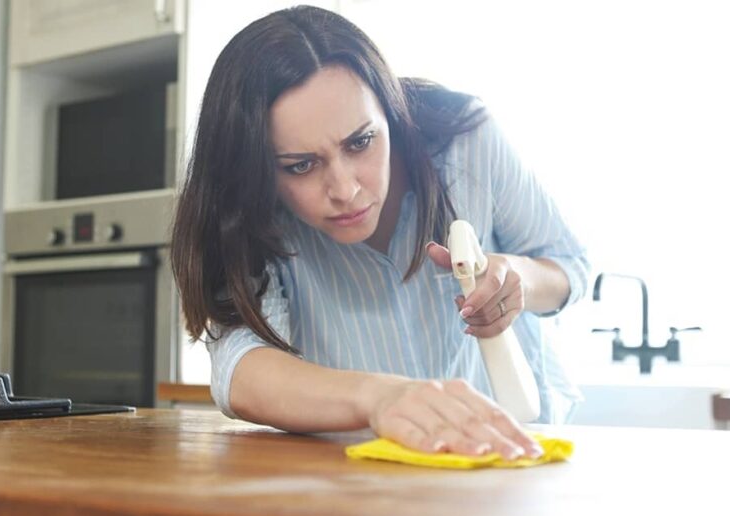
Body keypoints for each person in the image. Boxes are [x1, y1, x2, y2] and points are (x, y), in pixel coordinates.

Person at [171, 5, 589, 460]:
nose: (346, 191)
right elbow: (240, 370)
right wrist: (379, 397)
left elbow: (571, 266)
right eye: (301, 166)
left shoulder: (466, 141)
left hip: (517, 459)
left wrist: (517, 278)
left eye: (361, 142)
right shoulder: (250, 214)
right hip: (358, 476)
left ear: (390, 111)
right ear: (257, 171)